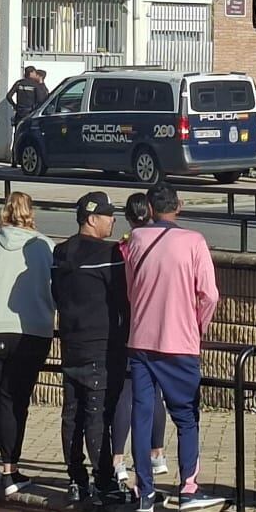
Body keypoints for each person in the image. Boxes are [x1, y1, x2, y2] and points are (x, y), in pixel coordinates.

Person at [125, 182, 225, 512]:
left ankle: (144, 492)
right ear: (179, 206)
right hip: (180, 342)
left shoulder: (136, 239)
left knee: (142, 415)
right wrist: (198, 326)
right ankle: (188, 489)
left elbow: (130, 290)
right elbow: (209, 295)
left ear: (150, 208)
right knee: (186, 417)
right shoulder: (194, 241)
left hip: (141, 341)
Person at [0, 191, 55, 496]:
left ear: (4, 213)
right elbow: (54, 289)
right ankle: (11, 469)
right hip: (30, 330)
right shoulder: (45, 247)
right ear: (32, 213)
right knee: (14, 400)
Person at [52, 191, 131, 505]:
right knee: (97, 414)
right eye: (109, 215)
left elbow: (56, 294)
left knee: (72, 414)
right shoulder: (108, 254)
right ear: (92, 218)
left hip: (72, 341)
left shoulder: (60, 252)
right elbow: (124, 298)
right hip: (102, 344)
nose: (113, 221)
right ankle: (104, 481)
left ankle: (76, 479)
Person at [111, 192, 166, 492]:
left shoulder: (125, 246)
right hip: (160, 326)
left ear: (128, 218)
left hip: (130, 325)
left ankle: (118, 458)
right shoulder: (165, 243)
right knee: (154, 391)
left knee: (126, 391)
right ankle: (157, 453)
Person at [6, 65, 48, 143]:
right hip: (30, 113)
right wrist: (41, 84)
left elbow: (9, 96)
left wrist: (15, 106)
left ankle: (16, 149)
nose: (36, 74)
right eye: (35, 72)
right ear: (31, 73)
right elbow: (41, 99)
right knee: (30, 133)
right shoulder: (35, 84)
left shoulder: (19, 83)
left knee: (18, 133)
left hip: (19, 113)